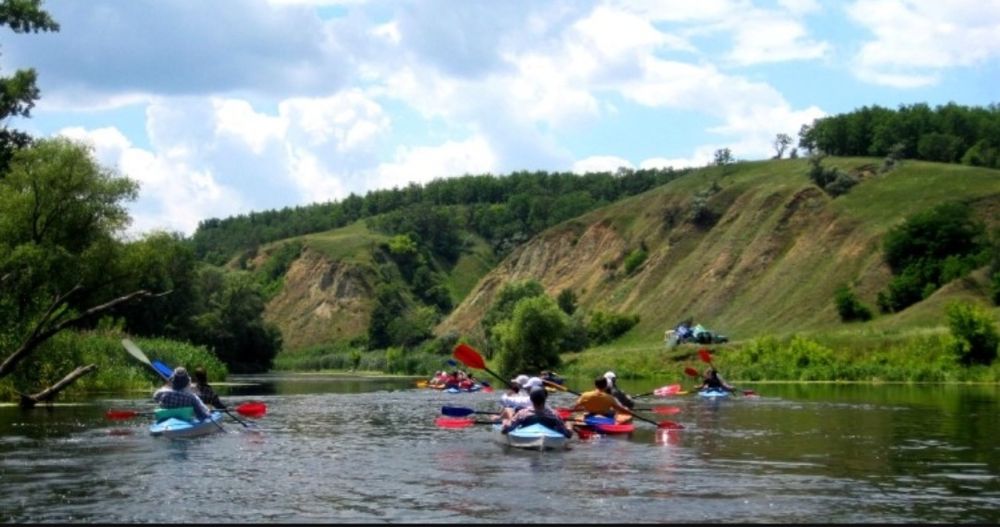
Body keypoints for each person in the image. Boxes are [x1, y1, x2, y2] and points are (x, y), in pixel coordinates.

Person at [501, 386, 572, 438]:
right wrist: (569, 426)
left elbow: (505, 431)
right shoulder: (554, 414)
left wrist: (505, 421)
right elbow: (568, 434)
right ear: (545, 398)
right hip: (549, 436)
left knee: (507, 419)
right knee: (568, 423)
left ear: (531, 399)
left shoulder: (522, 413)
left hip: (526, 436)